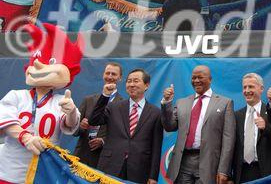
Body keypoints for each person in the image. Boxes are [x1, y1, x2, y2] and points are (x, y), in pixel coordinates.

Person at [0, 23, 84, 183]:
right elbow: (5, 121)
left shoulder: (61, 100)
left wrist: (71, 112)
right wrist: (25, 137)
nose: (39, 66)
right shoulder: (17, 96)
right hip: (9, 169)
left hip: (43, 170)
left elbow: (69, 126)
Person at [161, 65, 235, 184]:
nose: (196, 81)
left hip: (209, 163)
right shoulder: (182, 102)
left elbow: (228, 140)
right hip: (183, 163)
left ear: (210, 79)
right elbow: (169, 126)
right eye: (193, 78)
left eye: (200, 77)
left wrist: (223, 170)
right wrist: (167, 102)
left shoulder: (225, 103)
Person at [89, 69, 163, 184]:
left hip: (139, 170)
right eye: (129, 81)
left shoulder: (155, 113)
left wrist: (153, 176)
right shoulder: (114, 107)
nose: (132, 84)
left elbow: (156, 146)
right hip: (110, 165)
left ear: (146, 85)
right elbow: (94, 120)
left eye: (136, 81)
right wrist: (105, 96)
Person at [232, 73, 271, 184]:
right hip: (242, 173)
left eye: (251, 86)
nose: (247, 90)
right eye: (244, 87)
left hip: (267, 173)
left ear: (261, 89)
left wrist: (266, 127)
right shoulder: (236, 116)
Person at [73, 62, 124, 168]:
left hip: (104, 158)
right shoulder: (88, 100)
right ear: (103, 75)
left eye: (113, 74)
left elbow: (122, 135)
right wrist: (80, 127)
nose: (110, 77)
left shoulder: (123, 104)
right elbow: (74, 131)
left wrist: (103, 141)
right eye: (107, 73)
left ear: (120, 78)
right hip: (82, 155)